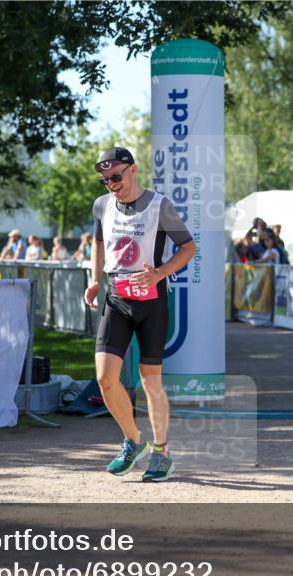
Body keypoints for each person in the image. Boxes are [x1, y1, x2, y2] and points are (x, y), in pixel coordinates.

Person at [83, 146, 196, 482]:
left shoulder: (160, 205)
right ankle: (134, 441)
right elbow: (99, 243)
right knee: (105, 379)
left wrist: (160, 273)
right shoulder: (102, 206)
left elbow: (189, 247)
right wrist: (93, 280)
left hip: (152, 300)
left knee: (150, 381)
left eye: (116, 176)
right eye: (105, 180)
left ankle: (161, 453)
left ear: (132, 170)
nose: (111, 184)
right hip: (116, 298)